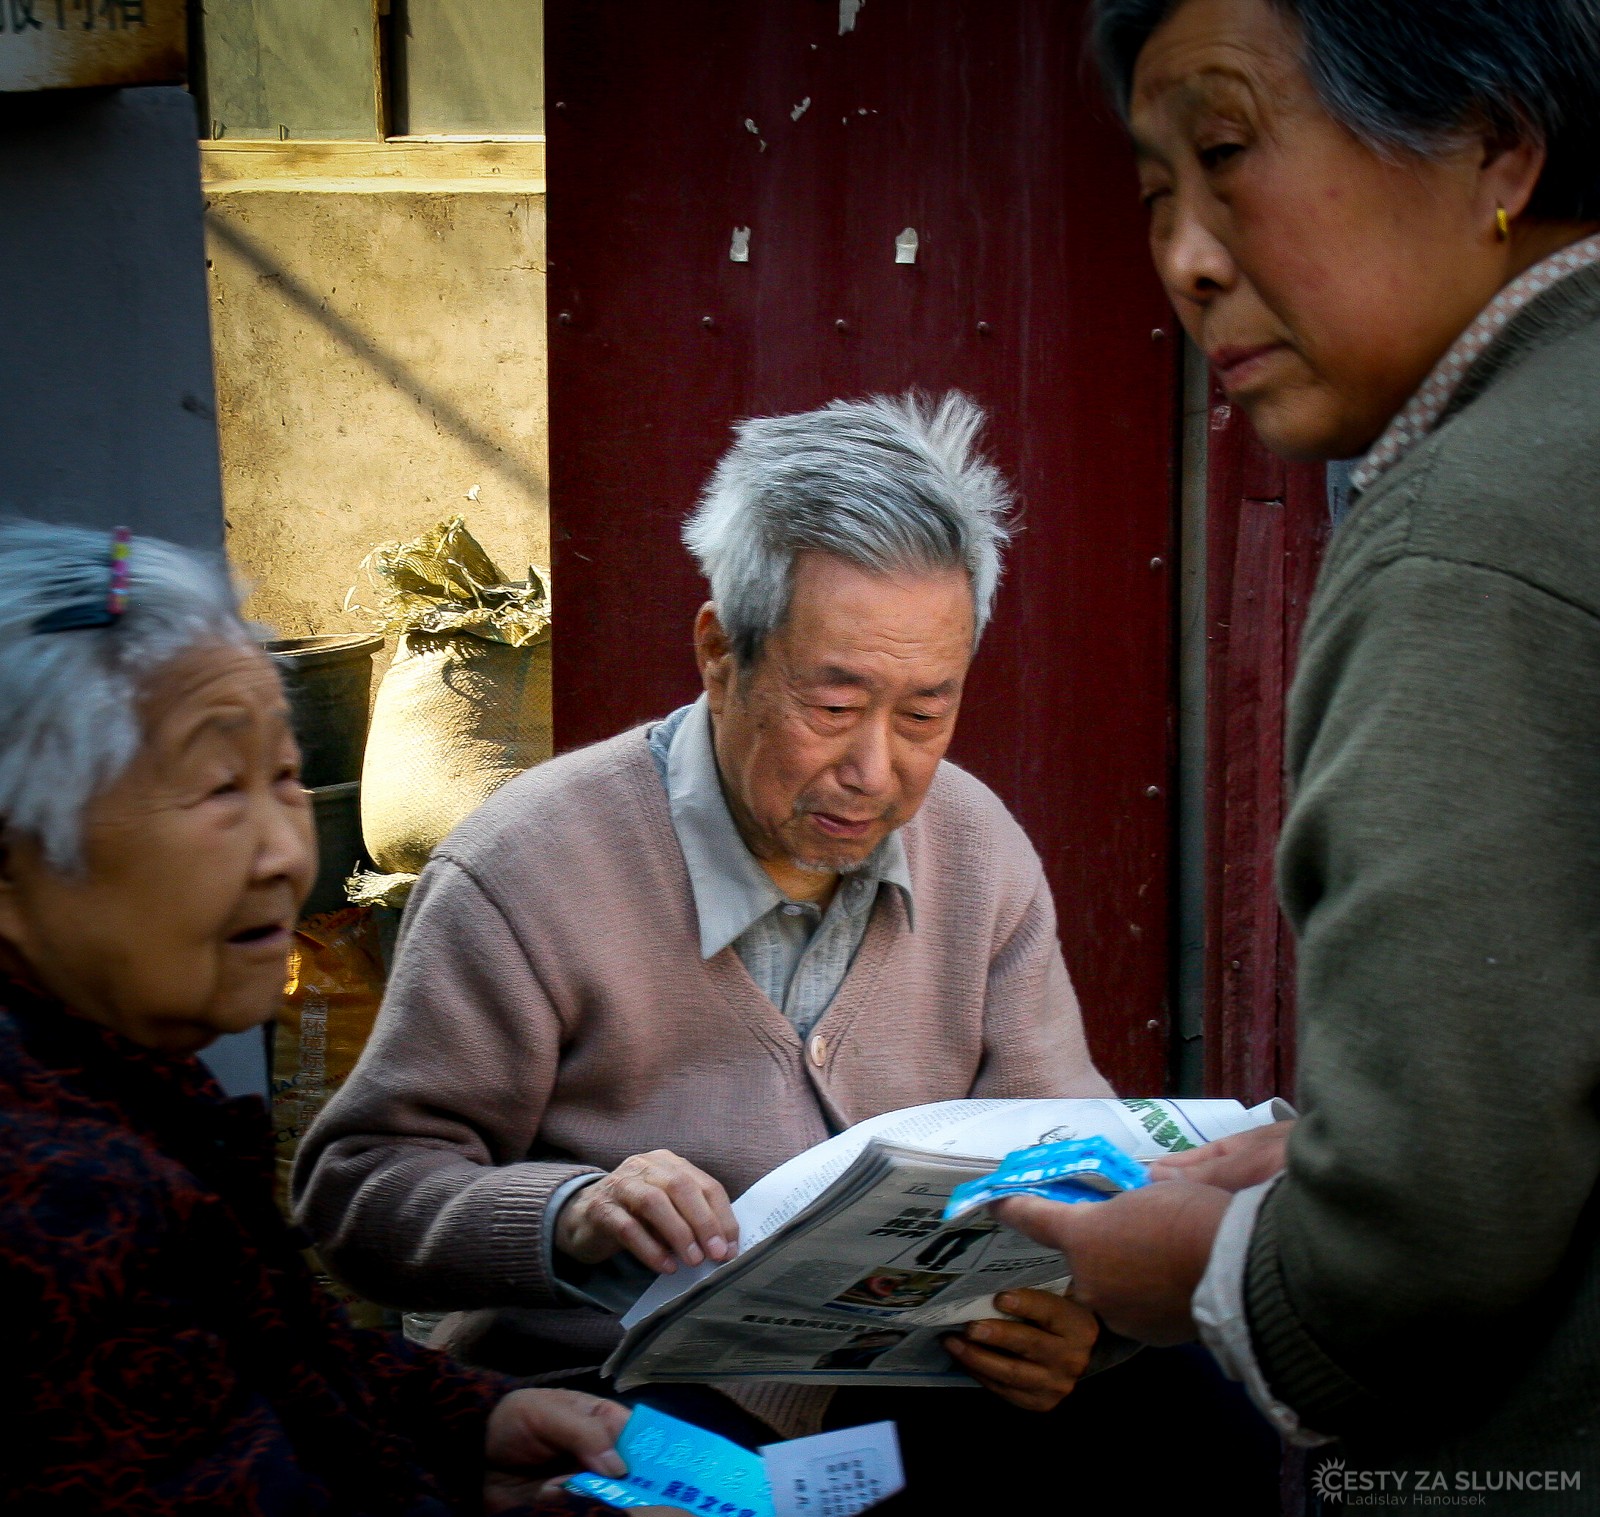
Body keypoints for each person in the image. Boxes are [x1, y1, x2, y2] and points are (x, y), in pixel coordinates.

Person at [295, 393, 1280, 1508]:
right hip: (632, 1391)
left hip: (918, 1387)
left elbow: (1065, 1154)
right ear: (721, 652)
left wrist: (1075, 1327)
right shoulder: (529, 866)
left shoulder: (977, 848)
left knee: (1197, 1415)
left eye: (925, 713)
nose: (877, 768)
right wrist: (569, 1211)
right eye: (833, 703)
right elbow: (355, 1194)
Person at [1000, 1, 1600, 1507]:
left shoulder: (1466, 535)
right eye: (1156, 196)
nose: (1189, 258)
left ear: (1494, 142)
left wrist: (1203, 1266)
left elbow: (1424, 1238)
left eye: (1227, 152)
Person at [0, 519, 655, 1515]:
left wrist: (467, 1421)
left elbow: (279, 1355)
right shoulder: (54, 1202)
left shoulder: (130, 1076)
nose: (284, 853)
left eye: (283, 778)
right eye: (218, 787)